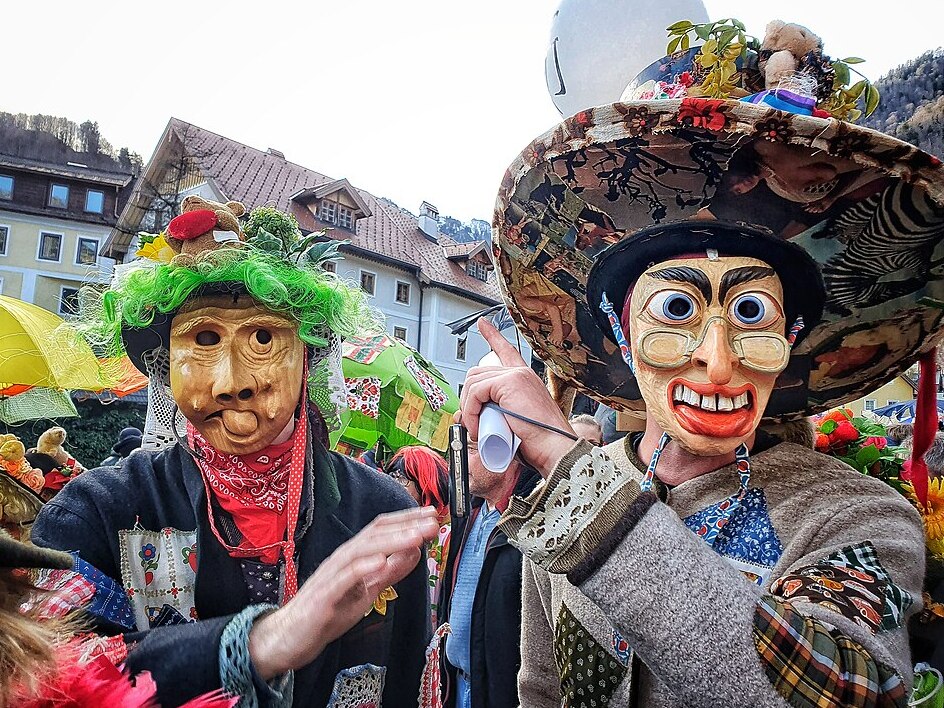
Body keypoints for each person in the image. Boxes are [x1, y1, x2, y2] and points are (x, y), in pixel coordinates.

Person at [460, 16, 943, 706]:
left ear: (794, 335)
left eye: (752, 315)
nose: (717, 364)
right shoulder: (574, 494)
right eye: (676, 313)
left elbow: (838, 694)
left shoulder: (855, 516)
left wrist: (577, 485)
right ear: (620, 333)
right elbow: (541, 689)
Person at [32, 203, 437, 707]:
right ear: (167, 362)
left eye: (263, 339)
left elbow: (404, 685)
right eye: (203, 340)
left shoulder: (382, 514)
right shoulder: (97, 511)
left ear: (306, 356)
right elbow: (42, 675)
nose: (231, 384)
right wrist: (257, 643)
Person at [437, 444, 540, 708]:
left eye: (471, 448)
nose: (458, 459)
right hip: (456, 684)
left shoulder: (532, 522)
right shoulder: (468, 511)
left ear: (506, 452)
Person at [386, 445, 452, 626]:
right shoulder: (393, 530)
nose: (392, 485)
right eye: (390, 477)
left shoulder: (448, 536)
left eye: (401, 479)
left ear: (425, 485)